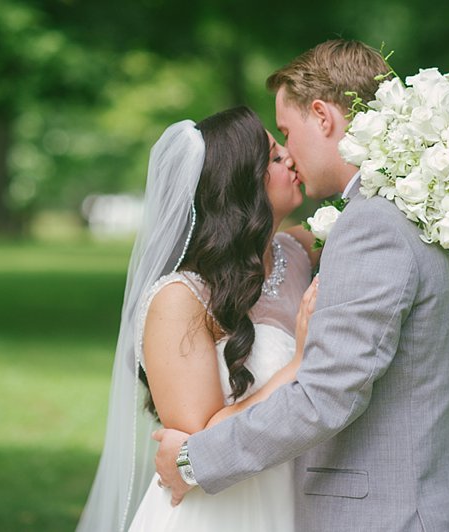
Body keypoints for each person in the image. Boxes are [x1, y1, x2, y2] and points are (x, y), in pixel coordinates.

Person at [154, 39, 449, 531]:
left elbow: (326, 395)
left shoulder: (372, 225)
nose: (287, 153)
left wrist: (193, 461)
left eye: (286, 131)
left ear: (323, 117)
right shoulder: (424, 211)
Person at [77, 106, 320, 531]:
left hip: (294, 496)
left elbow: (364, 210)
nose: (293, 160)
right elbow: (200, 449)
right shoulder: (180, 299)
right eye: (277, 158)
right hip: (220, 512)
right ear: (243, 186)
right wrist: (300, 366)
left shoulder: (296, 253)